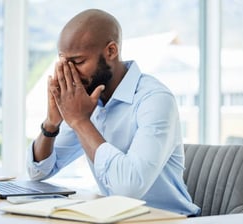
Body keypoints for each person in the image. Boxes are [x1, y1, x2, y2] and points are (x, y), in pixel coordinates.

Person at [27, 8, 200, 216]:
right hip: (117, 217)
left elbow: (128, 189)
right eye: (64, 62)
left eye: (79, 62)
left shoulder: (155, 99)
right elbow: (38, 172)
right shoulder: (88, 102)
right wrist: (51, 124)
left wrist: (80, 122)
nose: (69, 73)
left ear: (111, 51)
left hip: (168, 218)